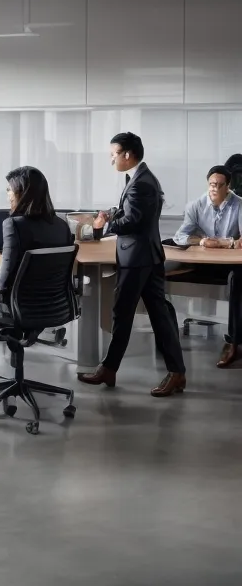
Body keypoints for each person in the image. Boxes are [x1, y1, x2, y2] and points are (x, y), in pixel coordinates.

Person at [80, 132, 188, 397]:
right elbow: (134, 214)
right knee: (156, 315)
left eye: (114, 154)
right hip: (146, 256)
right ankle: (174, 373)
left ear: (127, 154)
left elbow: (135, 221)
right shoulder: (141, 179)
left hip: (138, 258)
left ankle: (112, 368)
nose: (112, 160)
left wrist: (105, 224)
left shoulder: (141, 183)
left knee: (125, 314)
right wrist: (114, 213)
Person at [172, 165, 242, 369]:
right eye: (212, 184)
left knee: (237, 279)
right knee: (162, 270)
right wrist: (201, 242)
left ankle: (234, 342)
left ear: (228, 187)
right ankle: (166, 335)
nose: (214, 189)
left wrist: (223, 243)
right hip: (204, 263)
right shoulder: (196, 206)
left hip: (230, 265)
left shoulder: (239, 205)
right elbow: (180, 236)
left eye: (220, 186)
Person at [0, 166, 76, 305]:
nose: (8, 195)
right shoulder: (62, 225)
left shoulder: (13, 224)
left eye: (9, 190)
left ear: (22, 193)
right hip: (56, 304)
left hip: (20, 305)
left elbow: (4, 281)